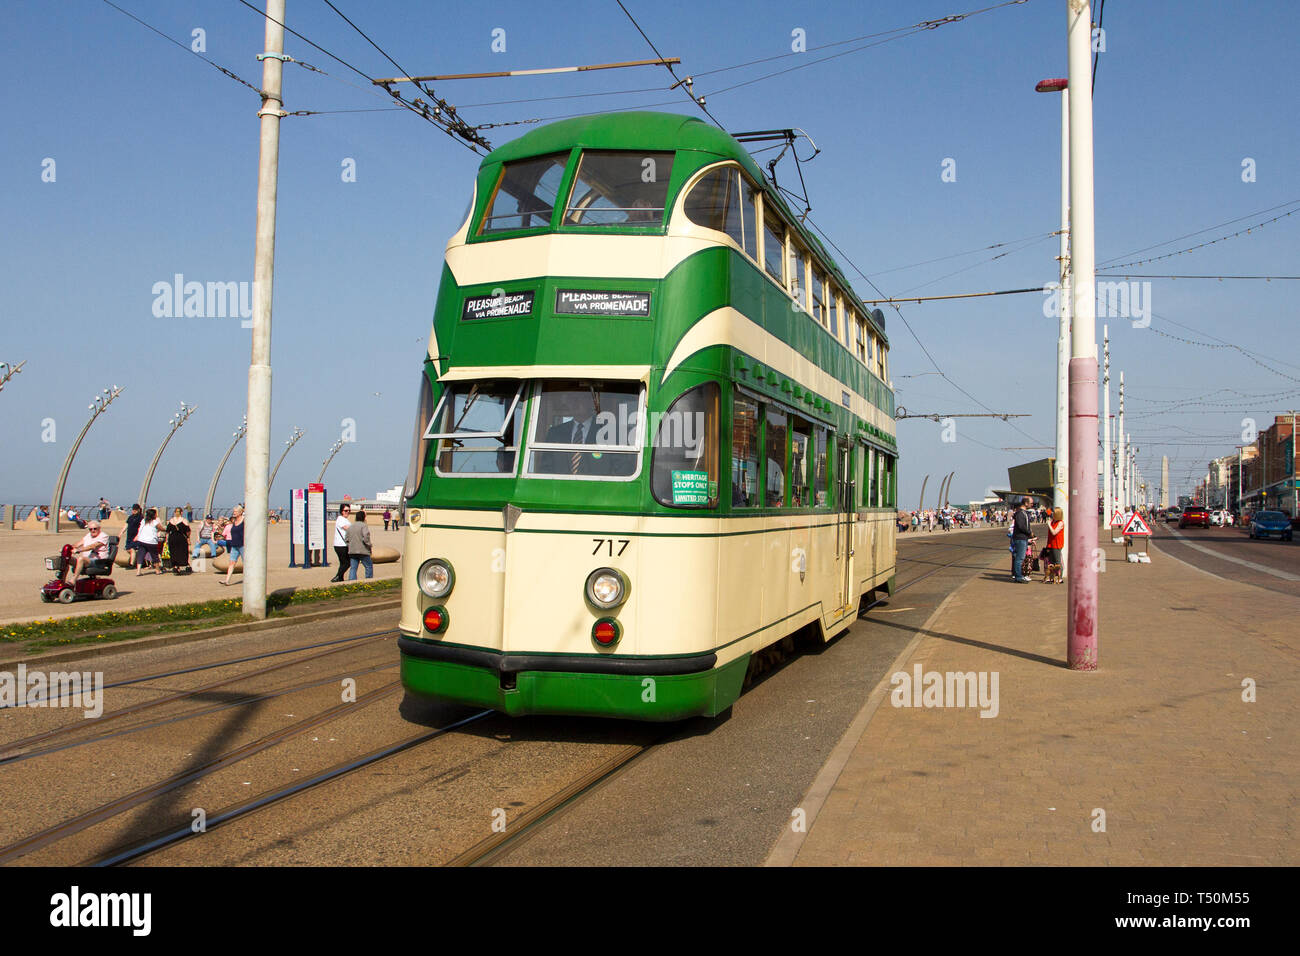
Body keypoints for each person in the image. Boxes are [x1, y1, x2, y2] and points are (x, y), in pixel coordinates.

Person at [1010, 497, 1034, 583]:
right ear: (1026, 503)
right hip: (1021, 537)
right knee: (1020, 558)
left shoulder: (1023, 513)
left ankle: (1017, 575)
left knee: (1018, 557)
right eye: (1031, 503)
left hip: (1022, 537)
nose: (1032, 505)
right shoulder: (1021, 513)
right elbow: (1021, 526)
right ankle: (1018, 576)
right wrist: (1029, 533)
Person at [134, 508, 163, 575]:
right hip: (151, 541)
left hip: (142, 540)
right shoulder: (154, 522)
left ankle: (138, 571)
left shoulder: (143, 521)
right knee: (155, 556)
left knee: (140, 555)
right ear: (154, 515)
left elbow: (140, 529)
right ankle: (157, 570)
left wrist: (137, 536)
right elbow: (161, 528)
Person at [346, 509, 373, 580]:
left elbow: (346, 539)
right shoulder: (363, 526)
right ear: (363, 517)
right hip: (363, 550)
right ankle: (369, 580)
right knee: (368, 566)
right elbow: (366, 537)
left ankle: (351, 581)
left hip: (352, 550)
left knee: (353, 568)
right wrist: (369, 545)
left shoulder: (351, 526)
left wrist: (350, 546)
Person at [222, 506, 245, 585]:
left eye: (235, 511)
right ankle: (227, 580)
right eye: (233, 511)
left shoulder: (244, 520)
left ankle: (249, 580)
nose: (234, 513)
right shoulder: (234, 521)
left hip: (243, 545)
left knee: (246, 563)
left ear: (240, 512)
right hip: (234, 545)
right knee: (231, 563)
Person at [330, 503, 352, 583]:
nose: (347, 512)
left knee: (343, 563)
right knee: (347, 562)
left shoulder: (346, 520)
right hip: (340, 545)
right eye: (345, 510)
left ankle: (340, 578)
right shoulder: (340, 519)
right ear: (341, 511)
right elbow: (347, 528)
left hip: (345, 544)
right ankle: (337, 576)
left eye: (349, 510)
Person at [1042, 508, 1065, 582]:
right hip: (1050, 544)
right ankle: (1051, 577)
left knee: (1057, 562)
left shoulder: (1060, 523)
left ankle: (1059, 578)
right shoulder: (1053, 521)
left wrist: (1049, 525)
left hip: (1057, 544)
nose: (1052, 514)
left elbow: (1054, 532)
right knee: (1050, 562)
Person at [166, 507, 191, 574]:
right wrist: (188, 538)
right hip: (181, 538)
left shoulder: (171, 520)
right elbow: (188, 531)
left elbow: (167, 531)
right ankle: (185, 565)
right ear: (181, 513)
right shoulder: (184, 520)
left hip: (172, 538)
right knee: (182, 552)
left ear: (174, 512)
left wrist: (166, 540)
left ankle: (176, 566)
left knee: (174, 552)